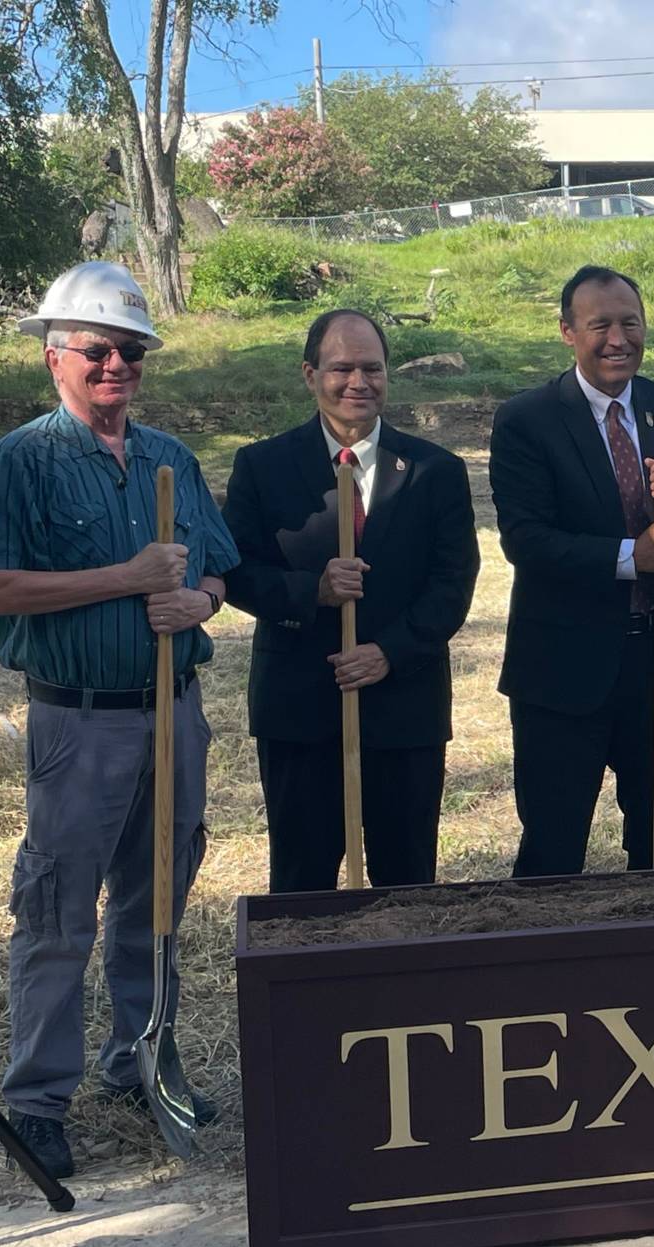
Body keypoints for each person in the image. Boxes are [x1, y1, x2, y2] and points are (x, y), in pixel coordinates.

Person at [0, 261, 239, 1178]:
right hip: (79, 727)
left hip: (173, 713)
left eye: (131, 352)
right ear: (56, 357)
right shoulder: (24, 460)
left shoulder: (172, 458)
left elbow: (218, 569)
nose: (115, 366)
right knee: (56, 911)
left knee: (156, 899)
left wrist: (197, 604)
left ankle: (142, 1063)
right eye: (98, 350)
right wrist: (125, 580)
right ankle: (39, 1099)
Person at [220, 309, 480, 892]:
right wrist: (310, 590)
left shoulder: (436, 471)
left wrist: (388, 652)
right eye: (342, 369)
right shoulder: (262, 467)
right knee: (301, 885)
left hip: (404, 709)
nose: (358, 383)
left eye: (372, 368)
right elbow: (233, 569)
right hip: (301, 712)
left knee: (405, 883)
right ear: (310, 374)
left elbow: (453, 582)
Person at [488, 265, 654, 875]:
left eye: (630, 323)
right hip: (562, 671)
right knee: (553, 850)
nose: (618, 339)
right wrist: (628, 557)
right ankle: (551, 966)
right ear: (568, 331)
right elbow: (525, 540)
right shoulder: (527, 419)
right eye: (600, 326)